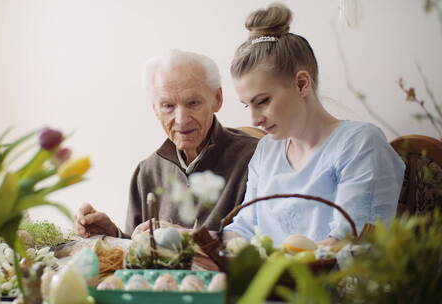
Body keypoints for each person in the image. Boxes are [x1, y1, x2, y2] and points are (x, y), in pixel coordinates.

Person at [223, 3, 405, 246]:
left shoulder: (360, 145)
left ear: (301, 84)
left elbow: (349, 244)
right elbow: (244, 228)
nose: (254, 119)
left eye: (263, 101)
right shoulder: (266, 150)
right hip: (272, 280)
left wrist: (271, 267)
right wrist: (192, 240)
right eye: (248, 105)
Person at [76, 49, 258, 238]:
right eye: (168, 106)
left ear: (217, 99)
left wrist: (186, 237)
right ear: (155, 109)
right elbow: (138, 256)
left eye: (193, 103)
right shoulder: (147, 171)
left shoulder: (255, 157)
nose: (181, 120)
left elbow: (263, 246)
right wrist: (114, 236)